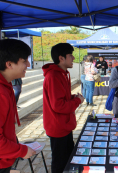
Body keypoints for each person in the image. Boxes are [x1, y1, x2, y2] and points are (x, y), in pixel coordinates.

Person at [42, 43, 84, 173]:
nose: (73, 58)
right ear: (61, 58)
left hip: (64, 125)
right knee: (60, 163)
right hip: (58, 127)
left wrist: (72, 97)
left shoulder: (62, 74)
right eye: (70, 55)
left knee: (68, 159)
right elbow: (58, 105)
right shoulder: (54, 76)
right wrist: (77, 100)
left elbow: (61, 98)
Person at [0, 39, 36, 173]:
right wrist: (21, 150)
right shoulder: (1, 92)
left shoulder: (6, 86)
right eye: (24, 61)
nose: (28, 64)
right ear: (9, 64)